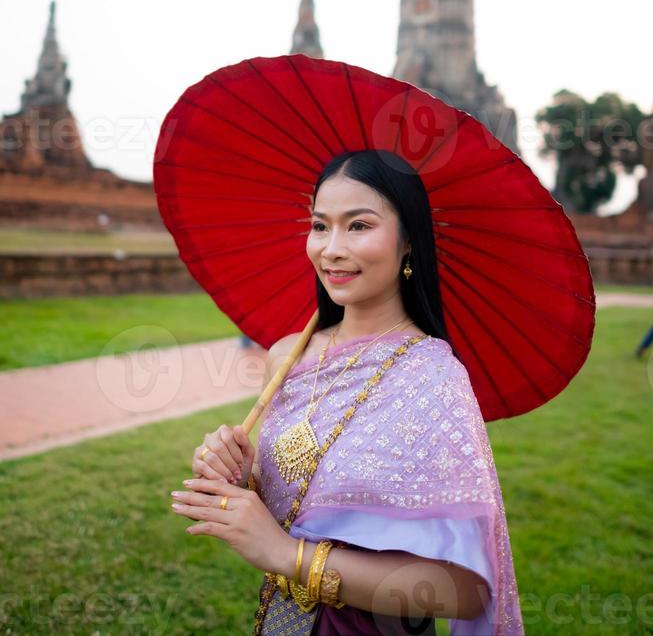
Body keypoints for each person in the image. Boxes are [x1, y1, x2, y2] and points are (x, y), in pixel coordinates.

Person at [170, 149, 525, 634]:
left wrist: (285, 554)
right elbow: (296, 500)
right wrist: (240, 474)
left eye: (358, 226)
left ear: (407, 242)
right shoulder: (286, 357)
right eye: (320, 225)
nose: (331, 248)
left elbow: (463, 591)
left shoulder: (432, 377)